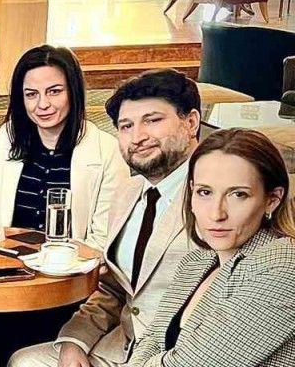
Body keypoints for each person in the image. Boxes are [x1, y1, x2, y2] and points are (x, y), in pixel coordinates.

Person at [9, 69, 201, 367]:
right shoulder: (128, 192)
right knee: (26, 361)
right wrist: (75, 339)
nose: (138, 137)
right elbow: (114, 287)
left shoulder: (214, 194)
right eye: (126, 126)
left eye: (152, 120)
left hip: (181, 353)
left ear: (191, 122)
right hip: (122, 345)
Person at [0, 45, 125, 366]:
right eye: (31, 94)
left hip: (67, 284)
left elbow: (102, 239)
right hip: (7, 274)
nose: (42, 105)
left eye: (54, 91)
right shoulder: (10, 136)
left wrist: (57, 263)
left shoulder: (106, 150)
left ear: (73, 92)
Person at [126, 128, 295, 367]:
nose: (217, 214)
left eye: (238, 194)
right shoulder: (196, 262)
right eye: (204, 192)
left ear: (272, 200)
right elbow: (152, 339)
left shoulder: (283, 267)